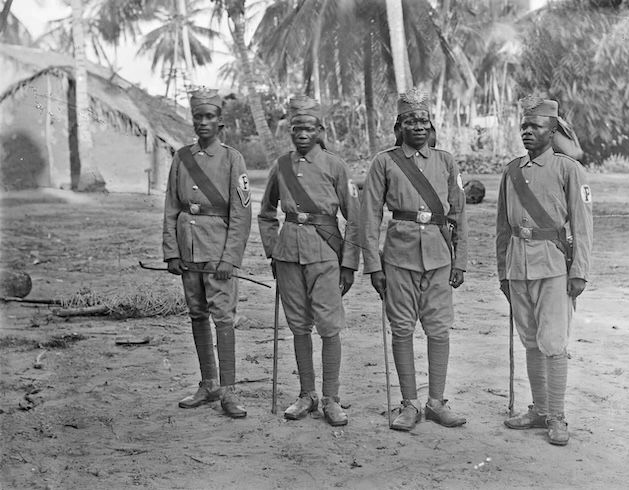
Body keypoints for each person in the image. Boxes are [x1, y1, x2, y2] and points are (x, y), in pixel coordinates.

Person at [360, 88, 469, 432]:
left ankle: (436, 402)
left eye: (423, 120)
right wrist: (374, 267)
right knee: (403, 328)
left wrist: (460, 260)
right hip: (399, 258)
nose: (418, 126)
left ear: (430, 125)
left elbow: (460, 214)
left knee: (439, 329)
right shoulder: (384, 161)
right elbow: (369, 217)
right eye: (411, 120)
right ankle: (409, 403)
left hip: (439, 256)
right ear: (399, 125)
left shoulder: (446, 161)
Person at [258, 95, 360, 427]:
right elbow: (265, 213)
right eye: (296, 128)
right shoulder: (280, 165)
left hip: (326, 254)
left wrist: (349, 263)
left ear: (320, 130)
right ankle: (306, 394)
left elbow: (354, 219)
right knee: (298, 325)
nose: (301, 133)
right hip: (288, 254)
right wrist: (273, 250)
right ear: (290, 130)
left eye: (308, 128)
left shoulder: (335, 166)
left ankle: (331, 398)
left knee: (329, 327)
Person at [496, 96, 593, 446]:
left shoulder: (569, 169)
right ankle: (538, 409)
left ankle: (557, 416)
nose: (527, 132)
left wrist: (579, 270)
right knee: (530, 341)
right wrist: (502, 272)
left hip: (554, 267)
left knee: (553, 343)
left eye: (535, 127)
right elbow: (502, 229)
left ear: (552, 132)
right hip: (518, 267)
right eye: (523, 126)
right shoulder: (511, 171)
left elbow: (582, 225)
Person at [162, 88, 252, 418]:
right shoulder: (181, 157)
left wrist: (230, 258)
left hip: (218, 251)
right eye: (198, 117)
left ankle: (228, 390)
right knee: (197, 314)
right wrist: (171, 252)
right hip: (188, 250)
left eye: (209, 117)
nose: (203, 122)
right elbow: (172, 206)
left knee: (223, 316)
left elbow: (241, 214)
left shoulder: (232, 159)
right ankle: (208, 383)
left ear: (220, 122)